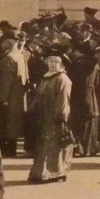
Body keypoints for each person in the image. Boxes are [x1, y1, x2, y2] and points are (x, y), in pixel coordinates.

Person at [25, 55, 72, 184]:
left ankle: (54, 173)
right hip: (43, 116)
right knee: (42, 144)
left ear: (61, 64)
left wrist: (62, 116)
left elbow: (63, 99)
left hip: (54, 116)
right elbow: (39, 96)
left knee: (53, 145)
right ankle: (40, 173)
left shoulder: (62, 78)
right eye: (50, 61)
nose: (53, 64)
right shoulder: (47, 77)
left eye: (56, 62)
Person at [0, 33, 28, 157]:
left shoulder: (9, 58)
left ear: (9, 42)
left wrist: (1, 99)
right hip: (17, 97)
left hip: (8, 97)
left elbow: (5, 81)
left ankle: (7, 151)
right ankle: (11, 150)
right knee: (13, 125)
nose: (1, 44)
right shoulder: (20, 56)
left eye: (3, 41)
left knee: (6, 125)